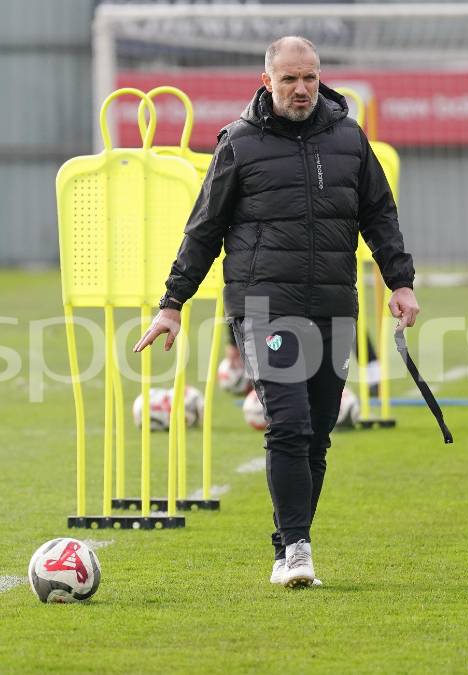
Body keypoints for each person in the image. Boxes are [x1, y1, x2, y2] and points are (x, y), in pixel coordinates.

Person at [134, 36, 419, 588]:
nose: (301, 88)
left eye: (309, 76)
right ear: (267, 82)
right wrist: (172, 304)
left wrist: (400, 282)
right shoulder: (239, 143)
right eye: (289, 78)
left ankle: (289, 542)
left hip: (334, 306)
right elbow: (204, 229)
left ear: (320, 76)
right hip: (265, 307)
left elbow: (380, 217)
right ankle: (296, 548)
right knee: (287, 425)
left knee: (316, 436)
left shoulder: (350, 139)